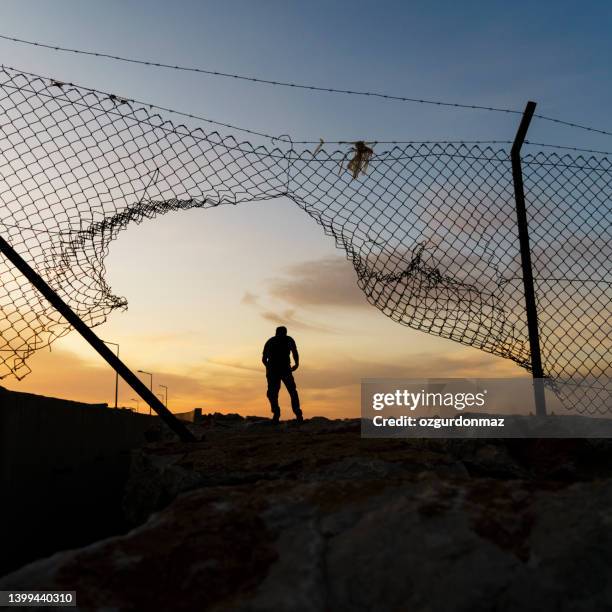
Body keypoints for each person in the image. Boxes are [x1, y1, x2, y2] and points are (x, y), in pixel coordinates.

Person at [262, 326, 303, 423]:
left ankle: (296, 414)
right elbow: (264, 358)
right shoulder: (277, 341)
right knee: (274, 393)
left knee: (289, 391)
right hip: (279, 370)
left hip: (281, 370)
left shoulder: (274, 341)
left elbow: (264, 359)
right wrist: (296, 363)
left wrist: (296, 363)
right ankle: (278, 414)